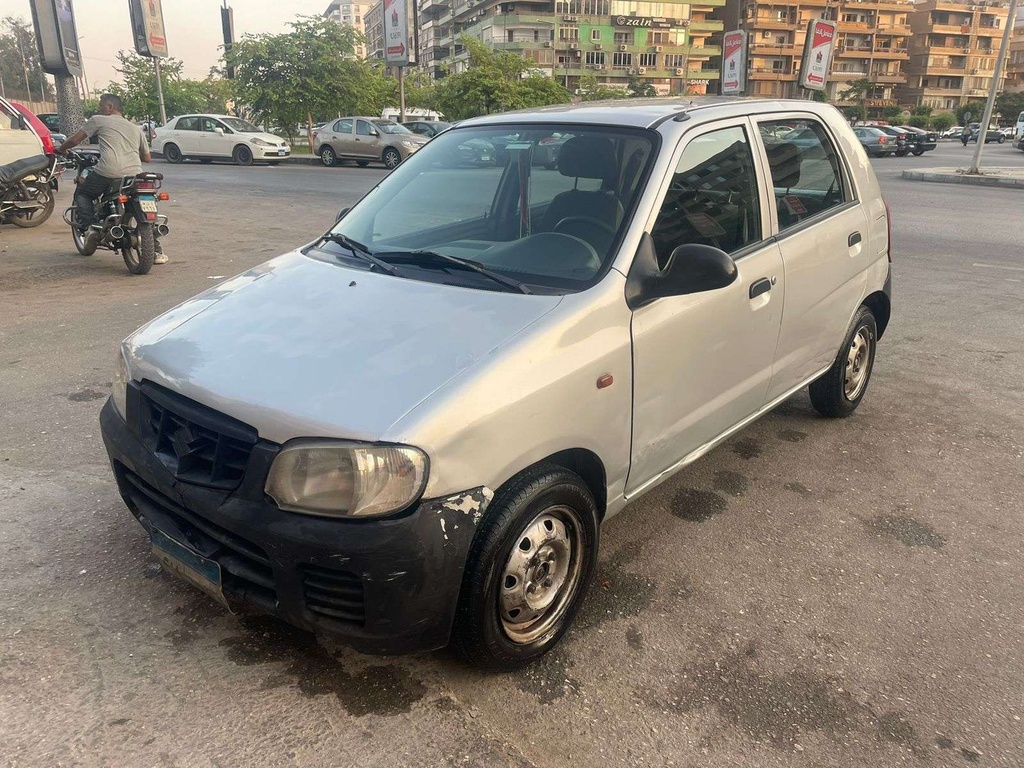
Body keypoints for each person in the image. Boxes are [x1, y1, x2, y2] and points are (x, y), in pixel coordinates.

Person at [56, 93, 167, 264]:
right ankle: (156, 249)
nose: (99, 107)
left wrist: (60, 150)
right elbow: (147, 158)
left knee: (83, 194)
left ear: (110, 107)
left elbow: (75, 140)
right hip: (133, 174)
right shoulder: (135, 129)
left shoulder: (98, 120)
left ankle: (89, 228)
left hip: (108, 171)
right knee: (142, 205)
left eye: (101, 104)